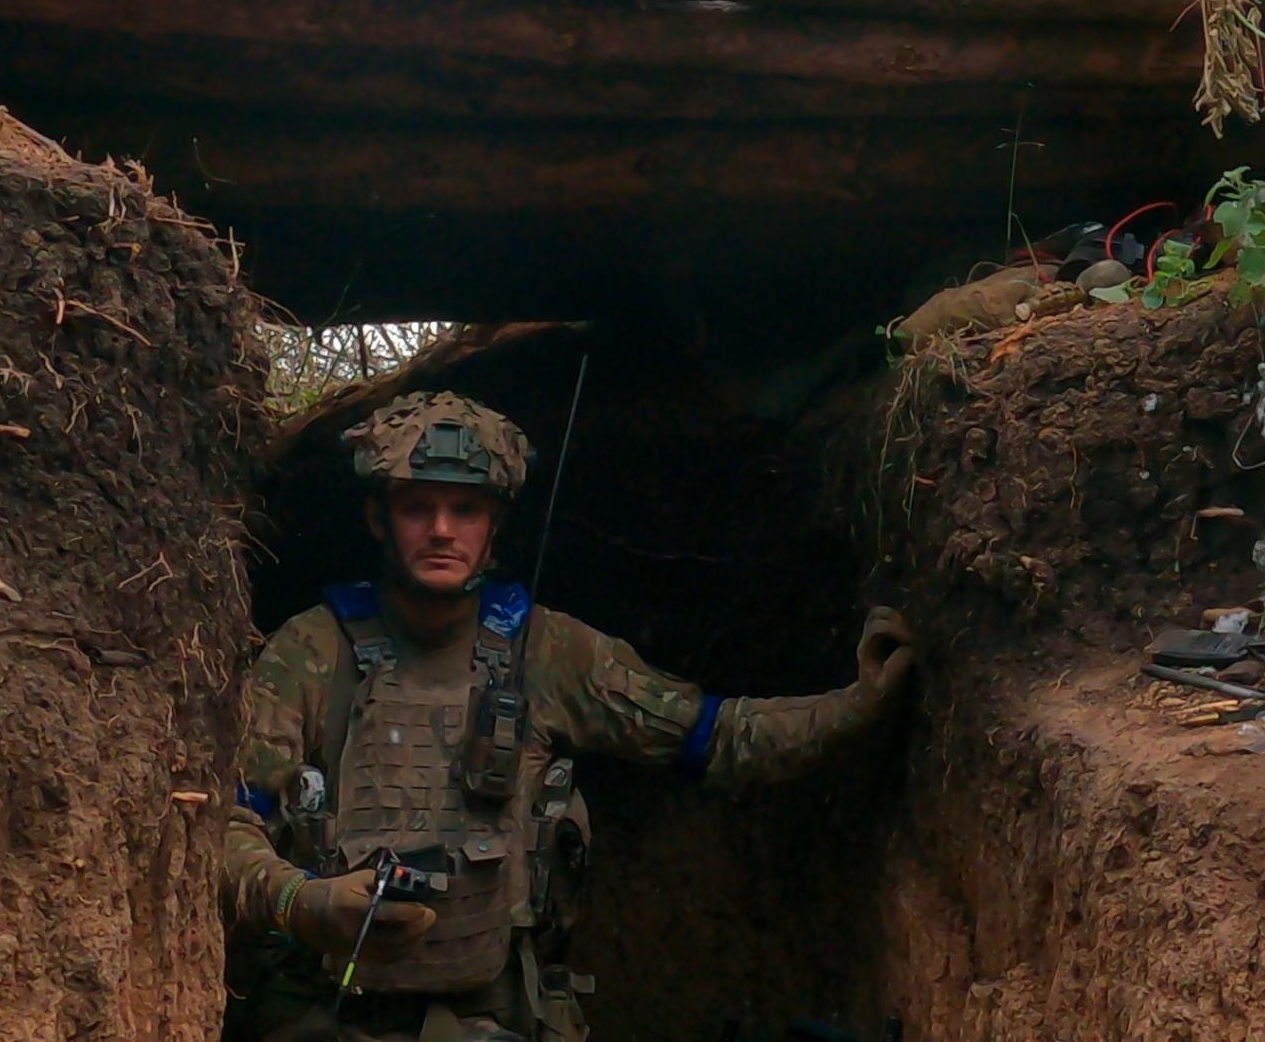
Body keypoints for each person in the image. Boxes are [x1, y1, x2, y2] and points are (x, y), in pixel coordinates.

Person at [222, 391, 915, 1042]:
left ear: (494, 529)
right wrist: (300, 903)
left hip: (494, 1017)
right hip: (328, 1017)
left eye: (465, 509)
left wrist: (856, 707)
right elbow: (223, 830)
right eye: (416, 507)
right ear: (378, 518)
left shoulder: (547, 652)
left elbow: (716, 736)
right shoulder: (311, 652)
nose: (441, 529)